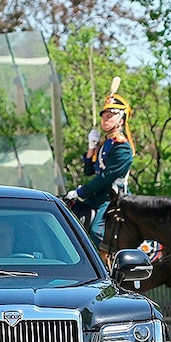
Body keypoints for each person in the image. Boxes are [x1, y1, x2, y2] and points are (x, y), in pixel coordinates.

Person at [65, 85, 134, 247]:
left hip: (113, 197)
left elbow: (106, 177)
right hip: (98, 195)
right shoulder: (106, 143)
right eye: (104, 116)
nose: (105, 119)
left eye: (110, 116)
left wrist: (81, 191)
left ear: (121, 120)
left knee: (97, 230)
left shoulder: (122, 147)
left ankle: (107, 264)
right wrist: (91, 147)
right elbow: (89, 170)